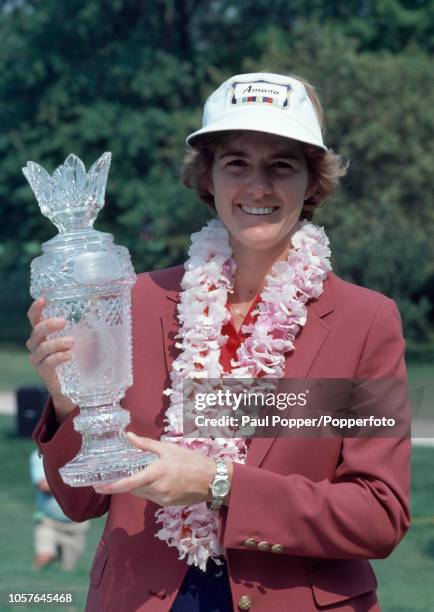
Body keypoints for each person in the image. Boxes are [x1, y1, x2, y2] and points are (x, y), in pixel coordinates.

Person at [26, 72, 410, 611]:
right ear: (207, 178)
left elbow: (379, 516)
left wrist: (219, 483)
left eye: (282, 165)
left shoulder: (365, 321)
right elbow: (80, 499)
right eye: (237, 163)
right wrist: (70, 399)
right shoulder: (129, 300)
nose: (258, 187)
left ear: (313, 182)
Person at [29, 448, 89, 570]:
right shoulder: (39, 455)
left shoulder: (83, 453)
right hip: (48, 520)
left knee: (68, 569)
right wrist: (74, 480)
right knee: (44, 557)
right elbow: (44, 486)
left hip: (76, 525)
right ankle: (28, 581)